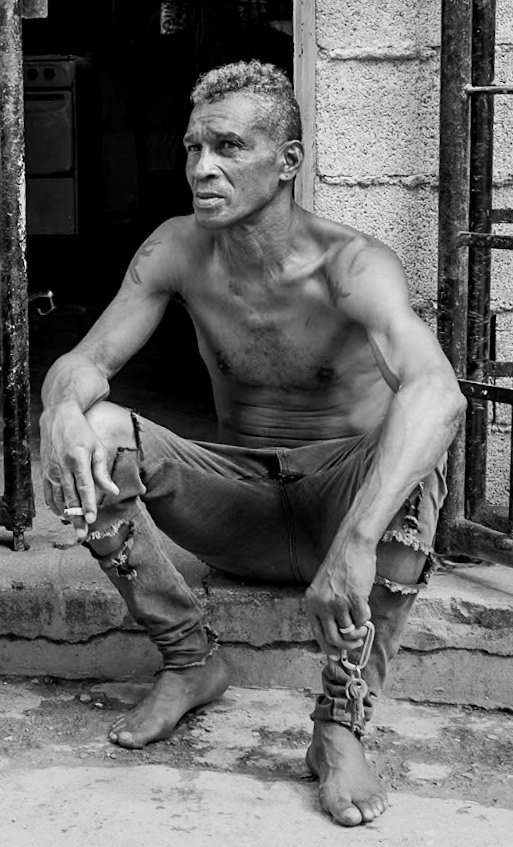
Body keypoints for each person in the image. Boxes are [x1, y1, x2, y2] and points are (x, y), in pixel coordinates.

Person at [40, 60, 466, 827]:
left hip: (343, 509)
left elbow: (440, 392)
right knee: (93, 430)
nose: (202, 167)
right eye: (193, 147)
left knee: (420, 454)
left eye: (229, 147)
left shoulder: (351, 264)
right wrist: (61, 409)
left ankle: (339, 723)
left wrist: (357, 540)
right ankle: (190, 658)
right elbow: (84, 361)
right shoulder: (176, 248)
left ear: (288, 161)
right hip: (236, 508)